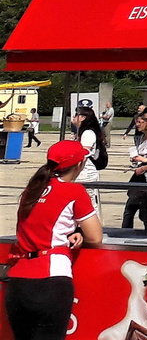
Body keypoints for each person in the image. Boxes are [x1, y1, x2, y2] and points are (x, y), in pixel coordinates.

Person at [7, 141, 106, 340]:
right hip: (51, 279)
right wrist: (78, 231)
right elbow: (95, 237)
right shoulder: (74, 191)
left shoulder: (33, 188)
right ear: (79, 164)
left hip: (18, 280)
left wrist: (73, 230)